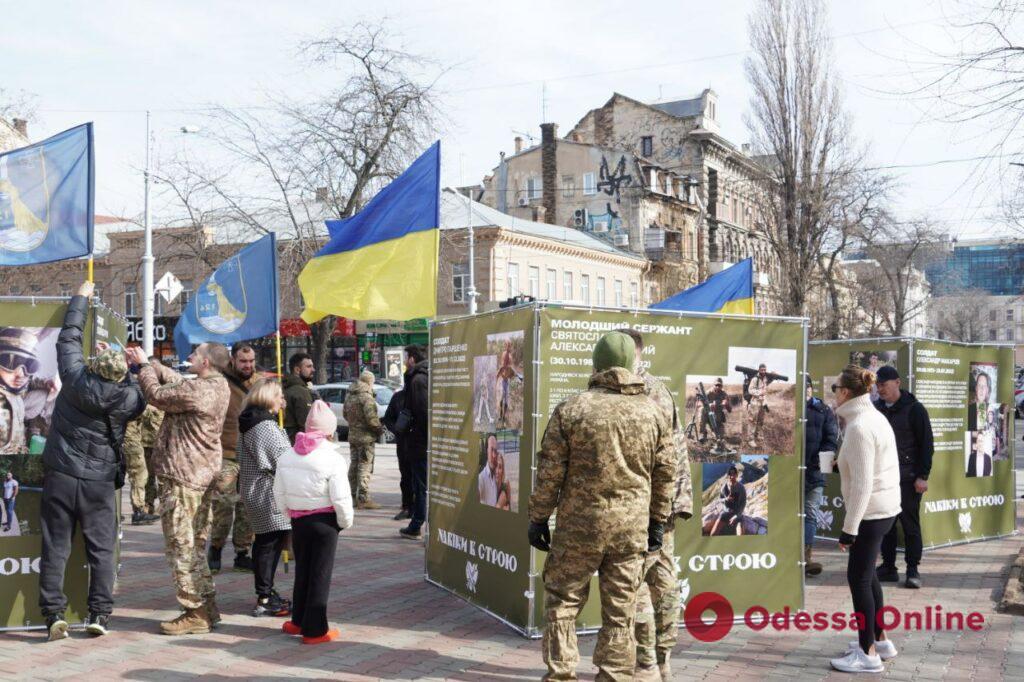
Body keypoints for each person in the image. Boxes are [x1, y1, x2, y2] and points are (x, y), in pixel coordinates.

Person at [528, 331, 675, 681]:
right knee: (620, 612)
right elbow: (666, 474)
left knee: (563, 605)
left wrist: (538, 518)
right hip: (630, 532)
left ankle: (562, 675)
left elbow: (549, 473)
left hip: (579, 529)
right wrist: (657, 523)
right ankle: (614, 676)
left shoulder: (572, 409)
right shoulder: (653, 413)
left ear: (597, 363)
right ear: (631, 365)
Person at [39, 281, 146, 641]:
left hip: (62, 475)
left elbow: (68, 338)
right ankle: (99, 614)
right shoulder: (127, 398)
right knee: (101, 550)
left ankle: (53, 614)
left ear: (93, 365)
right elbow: (138, 393)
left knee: (56, 545)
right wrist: (127, 370)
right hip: (99, 481)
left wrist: (80, 298)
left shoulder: (73, 379)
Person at [128, 342, 230, 636]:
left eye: (195, 355)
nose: (189, 357)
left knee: (181, 546)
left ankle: (194, 611)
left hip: (183, 477)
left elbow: (157, 395)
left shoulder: (199, 391)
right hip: (197, 475)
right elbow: (175, 381)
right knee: (195, 546)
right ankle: (208, 607)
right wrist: (150, 362)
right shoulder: (214, 384)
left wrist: (144, 368)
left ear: (207, 362)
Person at [616, 328, 692, 681]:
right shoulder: (658, 389)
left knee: (639, 583)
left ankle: (646, 662)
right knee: (663, 579)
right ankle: (663, 661)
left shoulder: (636, 393)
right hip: (664, 504)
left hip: (641, 506)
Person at [829, 365, 901, 674]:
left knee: (858, 579)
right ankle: (880, 640)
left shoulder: (859, 427)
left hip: (871, 512)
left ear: (845, 392)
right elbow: (868, 468)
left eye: (835, 388)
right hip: (884, 508)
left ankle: (867, 653)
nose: (833, 393)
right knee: (868, 575)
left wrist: (849, 529)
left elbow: (862, 485)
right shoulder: (872, 417)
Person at [273, 400, 353, 643]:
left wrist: (288, 511)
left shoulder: (287, 454)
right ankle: (315, 630)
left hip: (298, 520)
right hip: (325, 521)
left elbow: (278, 491)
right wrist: (345, 521)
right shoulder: (333, 458)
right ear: (329, 430)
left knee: (303, 571)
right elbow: (340, 496)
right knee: (320, 574)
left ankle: (298, 620)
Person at [237, 378, 293, 618]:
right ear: (269, 397)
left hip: (257, 489)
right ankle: (265, 596)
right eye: (280, 396)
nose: (283, 401)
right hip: (267, 492)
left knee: (268, 542)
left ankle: (266, 592)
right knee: (269, 544)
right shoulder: (264, 426)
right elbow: (281, 458)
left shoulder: (254, 422)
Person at [873, 365, 934, 589]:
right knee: (885, 526)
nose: (880, 389)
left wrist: (922, 476)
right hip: (883, 479)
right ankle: (888, 567)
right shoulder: (875, 409)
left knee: (910, 526)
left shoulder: (915, 409)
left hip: (908, 479)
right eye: (877, 385)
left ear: (897, 383)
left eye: (884, 385)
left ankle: (912, 570)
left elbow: (927, 445)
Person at [205, 342, 258, 574]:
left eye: (251, 361)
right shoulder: (220, 383)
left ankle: (242, 553)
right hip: (225, 454)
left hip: (251, 454)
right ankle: (215, 548)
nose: (248, 365)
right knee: (223, 506)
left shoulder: (260, 383)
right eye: (243, 361)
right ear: (233, 361)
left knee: (248, 507)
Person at [805, 378, 839, 577]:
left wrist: (822, 466)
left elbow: (831, 440)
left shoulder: (823, 411)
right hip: (790, 476)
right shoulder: (790, 409)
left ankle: (805, 559)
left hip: (814, 473)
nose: (805, 391)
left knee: (809, 515)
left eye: (807, 387)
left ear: (811, 388)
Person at [399, 344, 429, 540]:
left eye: (406, 357)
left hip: (420, 443)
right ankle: (417, 523)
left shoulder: (418, 380)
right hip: (421, 441)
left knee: (421, 486)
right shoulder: (423, 376)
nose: (404, 361)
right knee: (422, 484)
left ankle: (417, 524)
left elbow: (422, 412)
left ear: (412, 359)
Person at [344, 370, 384, 509]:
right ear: (369, 382)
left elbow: (345, 414)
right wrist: (379, 430)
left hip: (352, 436)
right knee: (365, 466)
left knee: (354, 465)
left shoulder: (350, 395)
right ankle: (363, 498)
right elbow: (372, 420)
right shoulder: (366, 397)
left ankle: (351, 497)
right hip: (366, 437)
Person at [0, 326, 43, 454]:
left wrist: (46, 383)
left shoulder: (16, 392)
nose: (20, 374)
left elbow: (31, 382)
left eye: (30, 365)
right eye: (10, 362)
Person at [123, 404, 162, 525]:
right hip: (136, 440)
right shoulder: (134, 393)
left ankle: (146, 507)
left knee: (149, 476)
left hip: (153, 439)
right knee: (141, 475)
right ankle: (140, 510)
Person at [381, 386, 412, 521]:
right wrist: (398, 430)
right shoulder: (398, 397)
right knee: (405, 477)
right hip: (404, 445)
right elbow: (387, 418)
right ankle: (407, 507)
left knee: (421, 478)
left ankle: (420, 508)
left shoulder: (425, 394)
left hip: (421, 445)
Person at [283, 353, 317, 444]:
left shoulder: (285, 387)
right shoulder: (300, 392)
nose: (313, 370)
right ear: (297, 370)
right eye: (309, 367)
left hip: (288, 443)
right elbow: (307, 425)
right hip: (300, 445)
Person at [708, 467, 746, 537]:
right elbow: (720, 499)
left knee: (740, 534)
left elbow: (743, 504)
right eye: (730, 474)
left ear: (737, 475)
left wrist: (736, 516)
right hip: (726, 513)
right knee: (713, 534)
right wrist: (726, 499)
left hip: (737, 513)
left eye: (734, 474)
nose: (732, 476)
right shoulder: (724, 487)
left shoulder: (741, 488)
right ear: (727, 476)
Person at [702, 378, 733, 453]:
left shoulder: (724, 394)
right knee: (702, 411)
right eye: (716, 385)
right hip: (708, 416)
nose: (718, 387)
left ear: (722, 386)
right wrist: (709, 405)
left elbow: (730, 410)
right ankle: (703, 433)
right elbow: (700, 404)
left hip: (718, 418)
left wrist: (726, 404)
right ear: (714, 385)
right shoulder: (708, 393)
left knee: (721, 437)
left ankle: (720, 444)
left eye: (720, 385)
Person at [745, 364, 770, 448]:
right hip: (755, 403)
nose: (763, 371)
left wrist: (765, 401)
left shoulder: (765, 379)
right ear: (759, 370)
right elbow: (750, 390)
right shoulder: (755, 379)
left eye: (764, 370)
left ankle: (758, 436)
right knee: (752, 421)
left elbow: (765, 390)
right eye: (762, 370)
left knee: (760, 421)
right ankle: (750, 440)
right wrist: (759, 393)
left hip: (762, 403)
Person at [477, 434, 500, 506]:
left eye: (495, 450)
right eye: (491, 449)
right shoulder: (481, 478)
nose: (494, 455)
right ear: (487, 451)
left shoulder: (496, 475)